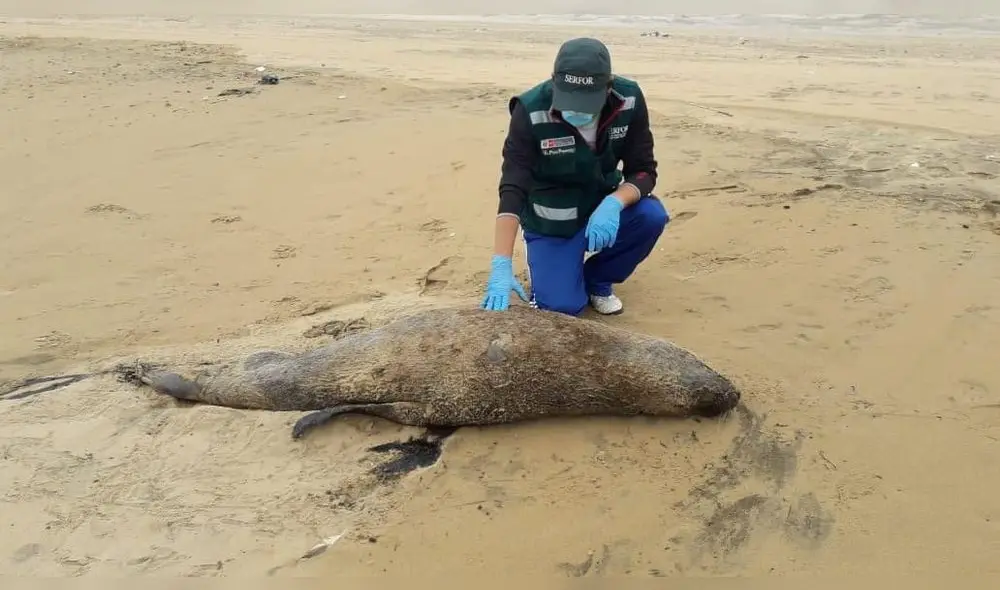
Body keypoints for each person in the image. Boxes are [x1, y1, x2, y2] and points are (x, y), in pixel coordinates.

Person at [480, 37, 669, 316]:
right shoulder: (530, 109)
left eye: (587, 102)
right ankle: (552, 268)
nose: (577, 110)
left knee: (651, 216)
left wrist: (614, 203)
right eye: (569, 99)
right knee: (562, 308)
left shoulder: (629, 99)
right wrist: (501, 263)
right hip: (552, 219)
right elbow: (513, 186)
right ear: (554, 82)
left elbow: (643, 171)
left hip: (600, 202)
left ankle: (598, 279)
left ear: (608, 87)